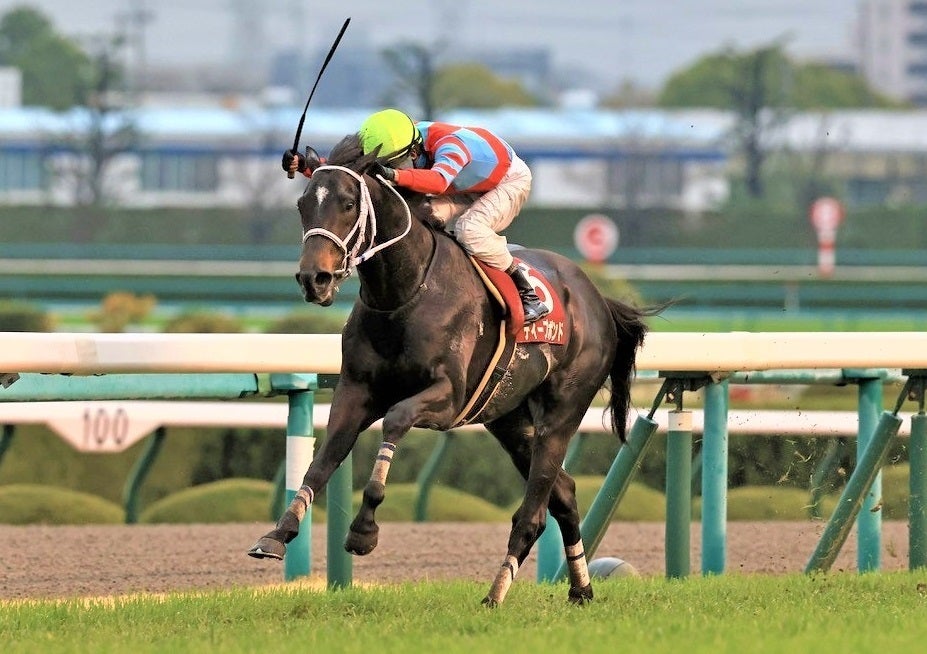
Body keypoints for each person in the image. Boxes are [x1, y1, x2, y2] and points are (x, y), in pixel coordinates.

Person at [347, 108, 550, 323]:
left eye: (392, 164)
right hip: (464, 182)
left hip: (506, 180)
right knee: (422, 217)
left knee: (469, 231)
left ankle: (528, 293)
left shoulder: (452, 145)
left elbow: (438, 181)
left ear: (413, 153)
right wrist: (321, 167)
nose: (388, 169)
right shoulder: (404, 139)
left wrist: (393, 174)